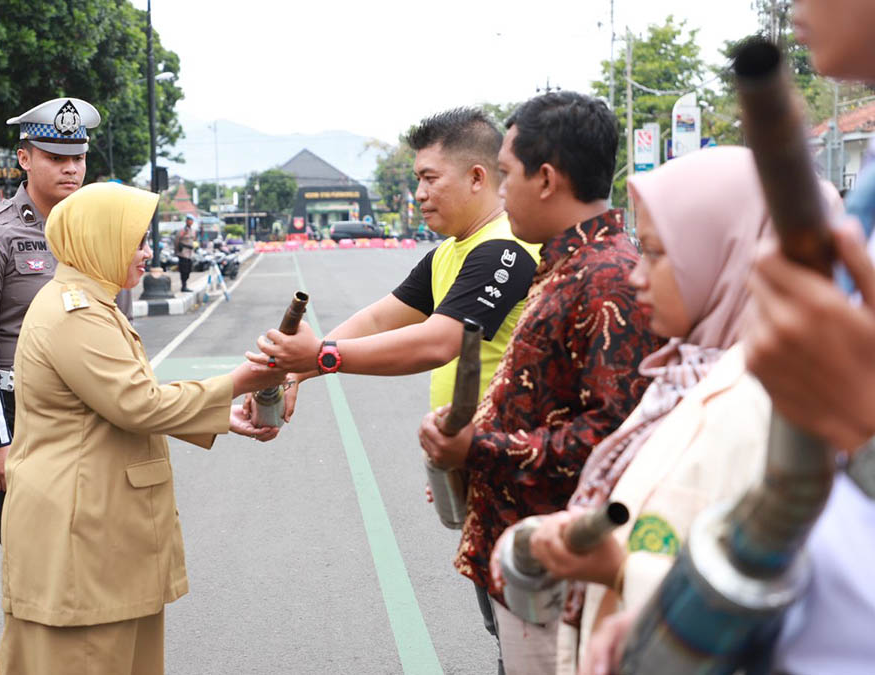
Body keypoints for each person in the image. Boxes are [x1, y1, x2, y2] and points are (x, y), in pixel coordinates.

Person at [508, 147, 824, 673]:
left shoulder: (778, 405)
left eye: (654, 253)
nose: (636, 276)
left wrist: (624, 571)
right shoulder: (679, 376)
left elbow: (800, 605)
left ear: (730, 254)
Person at [417, 92, 661, 674]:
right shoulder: (564, 267)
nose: (501, 191)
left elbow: (612, 433)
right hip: (524, 549)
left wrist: (480, 448)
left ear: (546, 178)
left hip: (562, 561)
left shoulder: (605, 279)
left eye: (506, 174)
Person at [0, 182, 284, 674]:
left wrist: (221, 415)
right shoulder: (75, 313)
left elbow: (122, 397)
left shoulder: (91, 302)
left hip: (101, 529)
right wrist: (239, 383)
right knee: (89, 658)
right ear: (97, 240)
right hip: (82, 533)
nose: (148, 254)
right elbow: (137, 404)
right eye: (136, 242)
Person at [252, 107, 539, 421]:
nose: (419, 194)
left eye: (430, 179)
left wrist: (322, 355)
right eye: (418, 180)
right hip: (462, 451)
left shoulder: (504, 248)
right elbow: (378, 320)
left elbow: (437, 343)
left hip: (507, 450)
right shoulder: (446, 253)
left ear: (476, 177)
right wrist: (296, 372)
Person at [0, 96, 100, 539]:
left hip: (84, 408)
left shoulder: (91, 231)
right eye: (56, 158)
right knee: (31, 551)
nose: (71, 169)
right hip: (19, 411)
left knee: (86, 551)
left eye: (77, 157)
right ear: (24, 158)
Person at [176, 215, 195, 291]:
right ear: (186, 221)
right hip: (183, 253)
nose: (191, 222)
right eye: (189, 220)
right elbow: (177, 241)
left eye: (192, 220)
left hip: (190, 254)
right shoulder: (182, 230)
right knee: (183, 270)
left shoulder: (192, 230)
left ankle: (185, 284)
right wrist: (177, 251)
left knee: (189, 270)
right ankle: (183, 286)